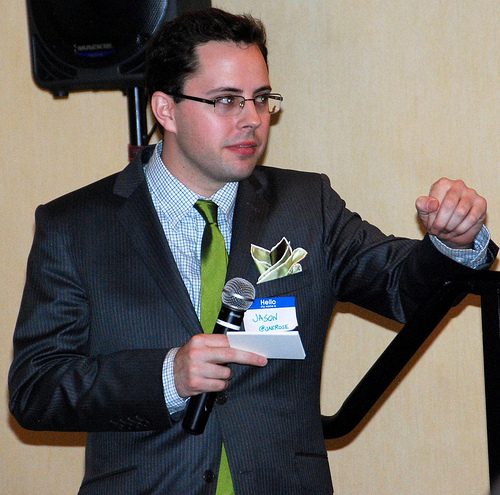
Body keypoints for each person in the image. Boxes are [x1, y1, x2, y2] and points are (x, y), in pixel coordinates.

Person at [8, 7, 497, 495]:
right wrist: (167, 377)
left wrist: (453, 242)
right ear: (165, 110)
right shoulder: (74, 226)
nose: (253, 120)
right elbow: (36, 389)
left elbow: (403, 288)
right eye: (226, 100)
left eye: (261, 99)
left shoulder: (307, 206)